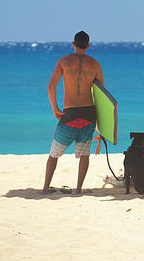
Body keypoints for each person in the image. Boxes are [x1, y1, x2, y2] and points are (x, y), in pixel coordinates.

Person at [42, 31, 104, 194]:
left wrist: (55, 109)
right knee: (84, 154)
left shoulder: (64, 61)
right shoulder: (95, 64)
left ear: (73, 44)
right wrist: (102, 120)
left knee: (54, 154)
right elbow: (102, 93)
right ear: (88, 46)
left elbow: (51, 86)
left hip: (69, 115)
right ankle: (78, 189)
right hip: (88, 115)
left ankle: (45, 188)